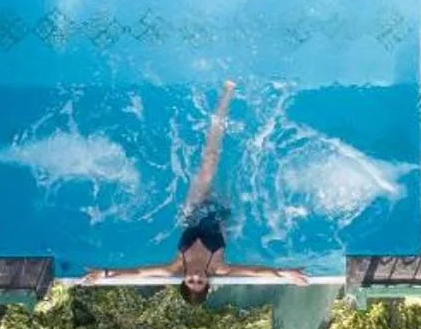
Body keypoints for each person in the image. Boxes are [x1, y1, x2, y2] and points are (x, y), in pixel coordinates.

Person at [80, 80, 309, 301]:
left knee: (209, 162)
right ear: (207, 284)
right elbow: (255, 272)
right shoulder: (218, 267)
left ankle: (226, 95)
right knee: (238, 167)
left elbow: (139, 273)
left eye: (190, 283)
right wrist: (285, 274)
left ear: (185, 281)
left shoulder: (176, 267)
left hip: (194, 210)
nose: (195, 278)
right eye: (200, 283)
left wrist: (105, 274)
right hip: (222, 214)